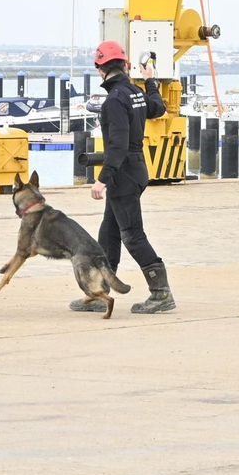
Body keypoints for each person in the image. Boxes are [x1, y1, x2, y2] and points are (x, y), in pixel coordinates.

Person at [69, 39, 176, 314]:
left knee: (133, 236)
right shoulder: (135, 91)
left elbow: (118, 145)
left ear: (100, 69)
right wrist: (149, 80)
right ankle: (100, 293)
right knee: (109, 232)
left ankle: (161, 293)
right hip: (134, 170)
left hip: (124, 174)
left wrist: (102, 179)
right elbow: (158, 108)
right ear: (124, 65)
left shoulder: (115, 100)